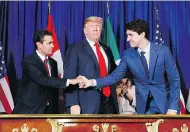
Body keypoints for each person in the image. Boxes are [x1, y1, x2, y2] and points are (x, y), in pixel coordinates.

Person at [79, 19, 180, 115]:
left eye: (131, 35)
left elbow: (174, 80)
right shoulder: (128, 54)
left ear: (142, 34)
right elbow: (115, 76)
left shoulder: (163, 51)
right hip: (143, 107)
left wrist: (173, 108)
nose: (128, 39)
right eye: (127, 35)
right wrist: (91, 82)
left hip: (165, 104)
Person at [12, 30, 82, 114]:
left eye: (52, 42)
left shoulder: (53, 63)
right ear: (39, 45)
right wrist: (70, 81)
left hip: (49, 110)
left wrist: (78, 83)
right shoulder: (29, 61)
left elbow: (54, 86)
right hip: (31, 110)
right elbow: (43, 79)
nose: (53, 46)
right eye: (49, 43)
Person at [63, 16, 118, 114]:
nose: (96, 28)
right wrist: (73, 103)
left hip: (109, 100)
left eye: (98, 26)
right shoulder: (75, 49)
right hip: (87, 102)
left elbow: (114, 72)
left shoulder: (107, 49)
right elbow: (69, 77)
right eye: (92, 26)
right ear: (85, 31)